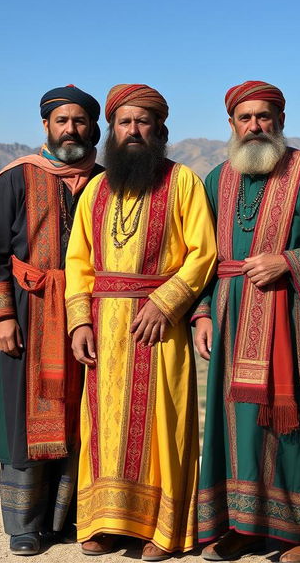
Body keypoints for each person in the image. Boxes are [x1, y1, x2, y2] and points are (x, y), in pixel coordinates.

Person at [194, 80, 300, 563]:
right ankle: (243, 527)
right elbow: (201, 255)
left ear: (281, 122)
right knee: (237, 425)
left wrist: (288, 262)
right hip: (229, 317)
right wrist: (202, 311)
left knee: (292, 422)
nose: (255, 126)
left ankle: (293, 535)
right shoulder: (215, 179)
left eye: (264, 117)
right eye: (245, 118)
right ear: (230, 125)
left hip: (291, 318)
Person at [65, 84, 217, 561]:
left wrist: (167, 301)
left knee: (162, 423)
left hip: (160, 328)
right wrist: (79, 322)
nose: (133, 130)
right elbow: (79, 260)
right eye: (125, 122)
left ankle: (162, 530)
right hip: (104, 327)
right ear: (112, 130)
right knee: (102, 424)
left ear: (159, 128)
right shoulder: (96, 187)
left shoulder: (183, 182)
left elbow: (202, 253)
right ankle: (104, 522)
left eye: (142, 121)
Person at [0, 85, 103, 555]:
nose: (70, 129)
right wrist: (1, 316)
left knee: (80, 414)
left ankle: (70, 517)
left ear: (93, 127)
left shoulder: (103, 180)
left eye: (79, 121)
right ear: (45, 126)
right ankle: (24, 524)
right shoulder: (16, 178)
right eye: (61, 121)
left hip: (86, 313)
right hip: (29, 311)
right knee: (25, 417)